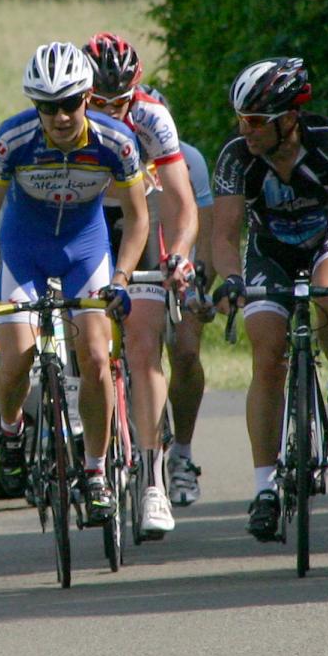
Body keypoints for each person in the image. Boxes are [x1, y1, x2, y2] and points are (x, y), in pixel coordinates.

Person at [0, 41, 149, 525]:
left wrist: (123, 278)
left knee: (93, 355)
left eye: (69, 103)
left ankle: (93, 472)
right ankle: (10, 432)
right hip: (24, 249)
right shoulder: (12, 140)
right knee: (18, 353)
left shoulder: (116, 143)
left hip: (84, 250)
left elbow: (137, 218)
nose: (60, 116)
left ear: (88, 96)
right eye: (47, 106)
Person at [211, 56, 328, 541]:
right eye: (240, 119)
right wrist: (229, 279)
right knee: (267, 356)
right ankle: (265, 488)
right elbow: (225, 235)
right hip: (271, 251)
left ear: (289, 118)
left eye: (255, 121)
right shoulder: (236, 155)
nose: (244, 130)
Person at [81, 32, 198, 537]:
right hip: (84, 221)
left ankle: (152, 481)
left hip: (138, 219)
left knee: (145, 343)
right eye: (97, 102)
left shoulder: (152, 117)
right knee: (86, 341)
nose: (108, 111)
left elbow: (181, 202)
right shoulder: (64, 114)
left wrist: (179, 257)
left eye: (118, 101)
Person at [164, 139, 216, 507]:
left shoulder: (189, 158)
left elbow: (209, 236)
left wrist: (204, 287)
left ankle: (181, 454)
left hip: (180, 266)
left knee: (184, 353)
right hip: (126, 263)